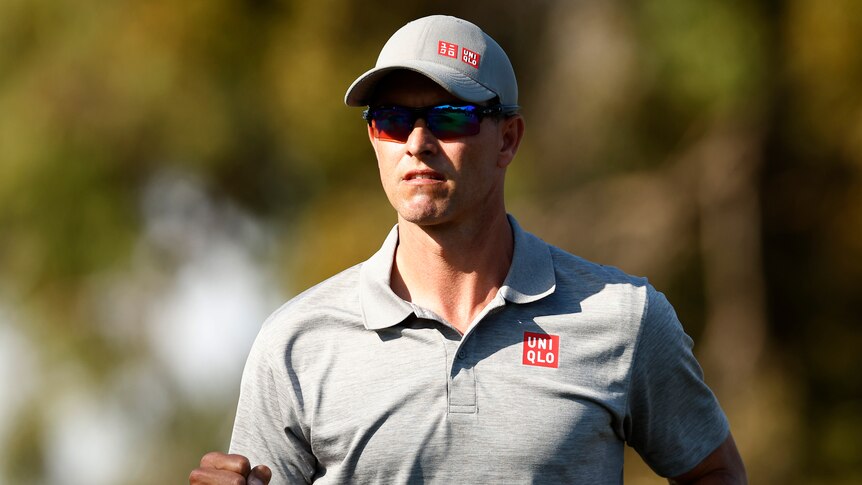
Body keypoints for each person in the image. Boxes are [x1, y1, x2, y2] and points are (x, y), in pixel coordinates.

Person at [189, 15, 746, 485]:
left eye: (450, 116)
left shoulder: (622, 318)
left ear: (508, 139)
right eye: (392, 119)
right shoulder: (298, 343)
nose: (417, 142)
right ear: (374, 138)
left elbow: (715, 473)